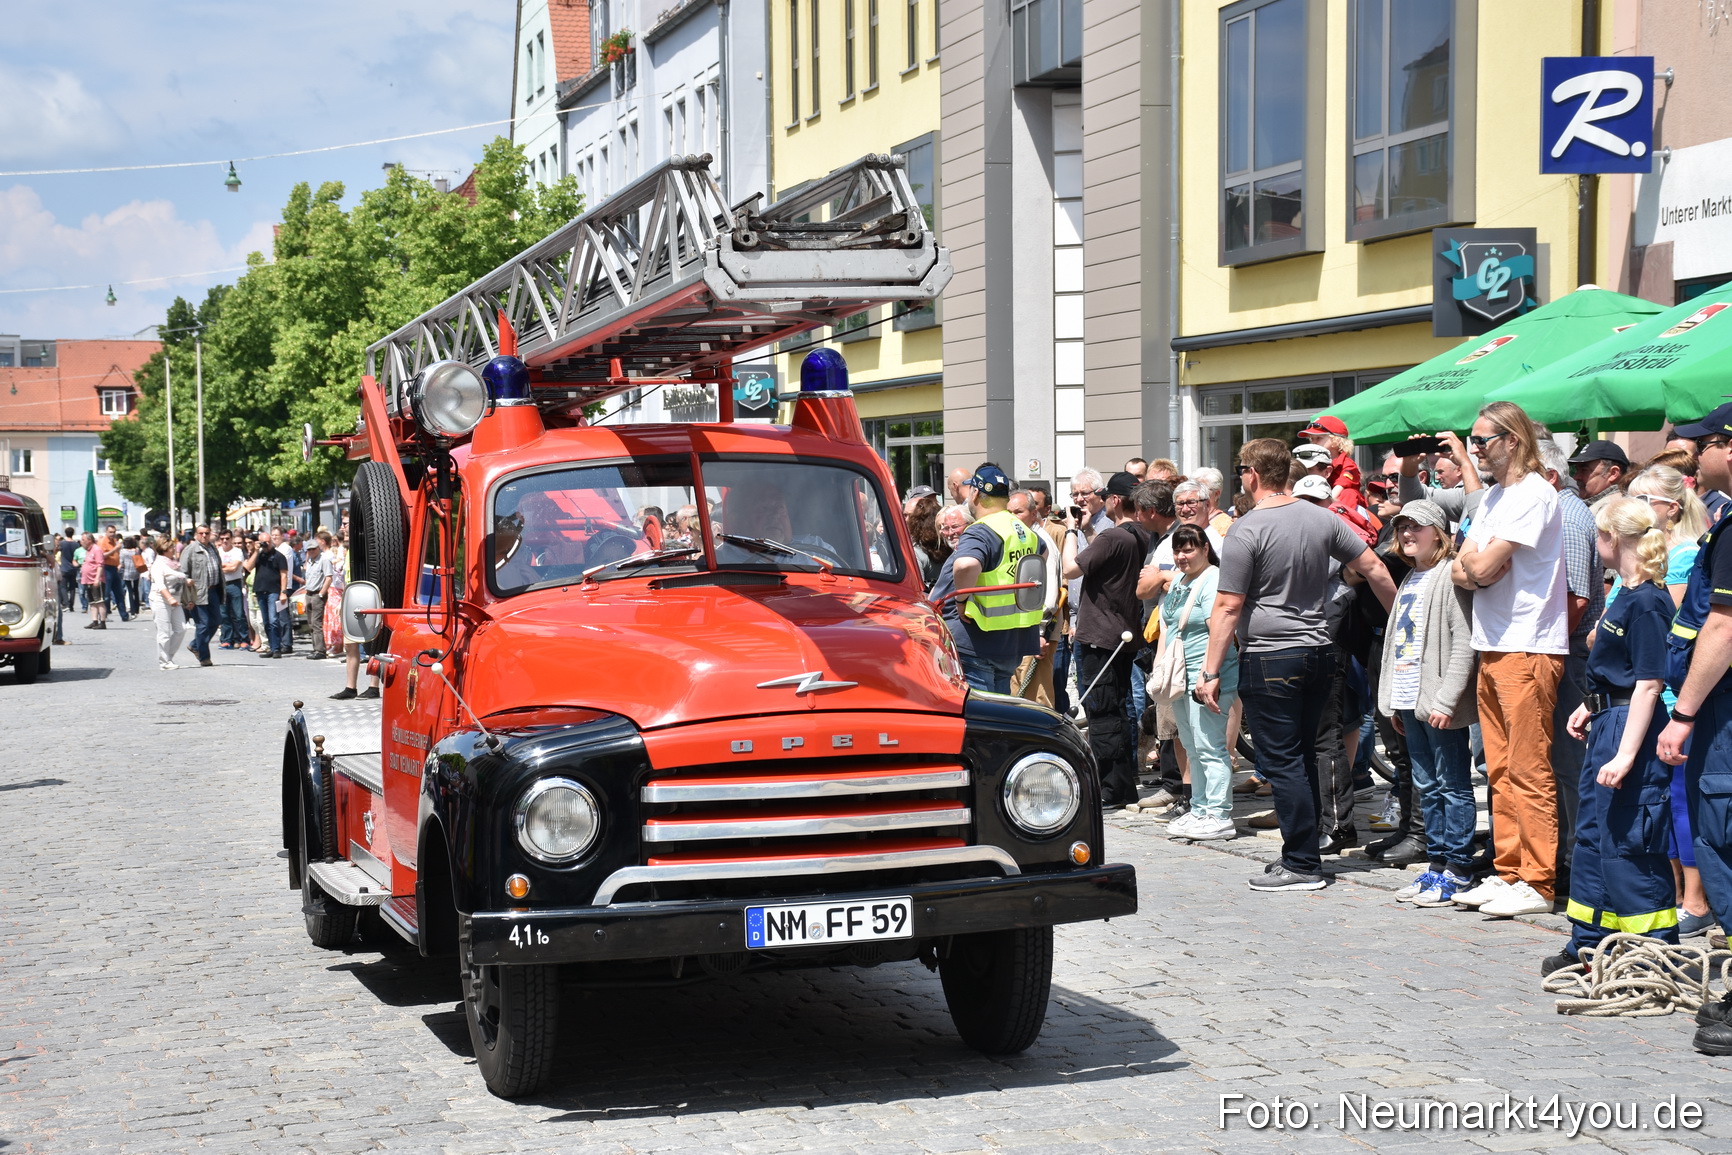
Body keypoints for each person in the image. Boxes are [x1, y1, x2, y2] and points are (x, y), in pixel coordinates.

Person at [1198, 438, 1397, 891]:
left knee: (1284, 760)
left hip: (1272, 654)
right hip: (1321, 649)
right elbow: (1377, 570)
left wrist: (1209, 671)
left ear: (1251, 474)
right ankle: (1302, 852)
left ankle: (1303, 863)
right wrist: (1405, 627)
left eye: (1239, 470)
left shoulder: (1247, 529)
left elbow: (1228, 605)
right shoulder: (1322, 518)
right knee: (1307, 755)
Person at [1543, 497, 1681, 976]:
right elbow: (1618, 673)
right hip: (1608, 721)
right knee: (1592, 837)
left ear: (1613, 538)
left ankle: (1653, 953)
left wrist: (1625, 755)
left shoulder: (1647, 601)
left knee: (1630, 841)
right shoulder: (1625, 590)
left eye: (1597, 534)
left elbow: (1648, 683)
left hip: (1630, 730)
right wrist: (1589, 705)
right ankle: (1591, 942)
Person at [1449, 403, 1569, 919]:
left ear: (1512, 440)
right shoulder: (1495, 495)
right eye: (1472, 441)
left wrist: (1475, 567)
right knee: (1497, 768)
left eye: (1482, 440)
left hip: (1529, 643)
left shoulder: (1536, 492)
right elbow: (1460, 564)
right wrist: (1475, 568)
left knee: (1528, 768)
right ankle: (1510, 870)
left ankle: (1538, 881)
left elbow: (1483, 562)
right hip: (1493, 641)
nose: (1474, 449)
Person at [1655, 402, 1732, 1055]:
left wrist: (1682, 714)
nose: (1693, 458)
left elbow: (1724, 627)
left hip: (1723, 713)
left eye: (1699, 446)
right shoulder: (1723, 519)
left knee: (1724, 837)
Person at [1377, 501, 1479, 907]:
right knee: (1426, 785)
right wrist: (1393, 700)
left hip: (1438, 703)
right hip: (1408, 701)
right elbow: (1394, 646)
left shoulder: (1447, 576)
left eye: (1415, 527)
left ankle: (1459, 868)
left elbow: (1463, 643)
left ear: (1438, 531)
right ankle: (1435, 865)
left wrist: (1448, 699)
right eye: (1401, 527)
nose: (1406, 534)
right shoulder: (1410, 578)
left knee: (1452, 784)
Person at [1536, 435, 1604, 902]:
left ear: (1549, 477)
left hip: (1569, 654)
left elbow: (1577, 599)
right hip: (1560, 651)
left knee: (1569, 765)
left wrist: (1546, 649)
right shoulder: (1557, 512)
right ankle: (1566, 861)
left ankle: (1580, 869)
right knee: (1560, 765)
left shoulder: (1568, 516)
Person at [1062, 471, 1151, 809]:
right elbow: (1106, 557)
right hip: (1121, 634)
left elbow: (1070, 569)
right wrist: (1086, 529)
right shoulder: (1138, 534)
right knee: (1119, 709)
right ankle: (1124, 784)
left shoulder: (1114, 537)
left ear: (1113, 500)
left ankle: (1110, 789)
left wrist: (1071, 530)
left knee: (1102, 713)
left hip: (1100, 635)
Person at [935, 465, 1046, 694]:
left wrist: (961, 599)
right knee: (998, 719)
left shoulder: (981, 531)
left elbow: (966, 564)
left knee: (979, 721)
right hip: (1011, 642)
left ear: (975, 494)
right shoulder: (1022, 530)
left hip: (977, 641)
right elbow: (1041, 555)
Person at [1160, 525, 1237, 841]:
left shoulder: (1213, 579)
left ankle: (1219, 814)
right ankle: (1201, 808)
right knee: (1192, 745)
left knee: (1210, 745)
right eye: (1178, 550)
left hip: (1207, 676)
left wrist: (1210, 675)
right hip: (1182, 676)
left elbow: (1219, 631)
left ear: (1205, 548)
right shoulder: (1180, 580)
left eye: (1188, 549)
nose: (1181, 556)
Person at [1007, 488, 1063, 704]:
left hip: (1037, 633)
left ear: (1033, 513)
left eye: (1018, 512)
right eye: (1009, 512)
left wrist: (1039, 632)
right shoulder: (1023, 538)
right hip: (1024, 631)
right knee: (1019, 693)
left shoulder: (1041, 541)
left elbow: (1048, 595)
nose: (1013, 518)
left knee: (1037, 698)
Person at [178, 524, 223, 667]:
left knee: (215, 621)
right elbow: (183, 573)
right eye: (201, 533)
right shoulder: (190, 550)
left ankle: (195, 645)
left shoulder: (213, 548)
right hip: (198, 592)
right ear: (196, 534)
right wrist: (187, 597)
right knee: (202, 624)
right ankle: (204, 657)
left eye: (207, 533)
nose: (204, 536)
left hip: (214, 590)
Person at [249, 527, 292, 658]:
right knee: (266, 621)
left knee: (274, 620)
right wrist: (256, 551)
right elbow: (248, 566)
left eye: (268, 541)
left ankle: (277, 648)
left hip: (274, 591)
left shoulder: (279, 556)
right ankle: (272, 647)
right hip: (260, 591)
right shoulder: (259, 555)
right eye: (263, 542)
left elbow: (284, 575)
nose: (266, 544)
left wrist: (283, 592)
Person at [148, 538, 189, 669]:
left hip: (176, 600)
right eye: (172, 548)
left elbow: (178, 578)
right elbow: (160, 585)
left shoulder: (173, 563)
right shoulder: (158, 565)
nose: (174, 550)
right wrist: (170, 599)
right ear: (164, 549)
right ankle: (164, 662)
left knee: (181, 629)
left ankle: (168, 656)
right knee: (164, 632)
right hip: (161, 599)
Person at [1569, 440, 1631, 507]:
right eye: (1577, 470)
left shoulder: (1614, 510)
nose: (1576, 477)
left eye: (1584, 470)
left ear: (1613, 473)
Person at [217, 529, 250, 649]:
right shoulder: (217, 551)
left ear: (231, 539)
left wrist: (222, 567)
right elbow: (217, 568)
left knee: (239, 613)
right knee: (224, 614)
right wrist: (227, 565)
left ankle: (243, 639)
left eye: (227, 538)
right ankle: (227, 639)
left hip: (234, 583)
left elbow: (234, 568)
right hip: (221, 584)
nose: (224, 541)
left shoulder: (237, 551)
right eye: (222, 539)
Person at [303, 537, 334, 661]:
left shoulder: (324, 560)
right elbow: (308, 580)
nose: (311, 551)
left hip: (317, 594)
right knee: (311, 623)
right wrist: (306, 597)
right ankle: (315, 648)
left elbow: (328, 578)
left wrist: (321, 593)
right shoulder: (309, 561)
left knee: (316, 623)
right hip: (309, 593)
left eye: (313, 549)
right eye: (309, 550)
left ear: (318, 548)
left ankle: (320, 650)